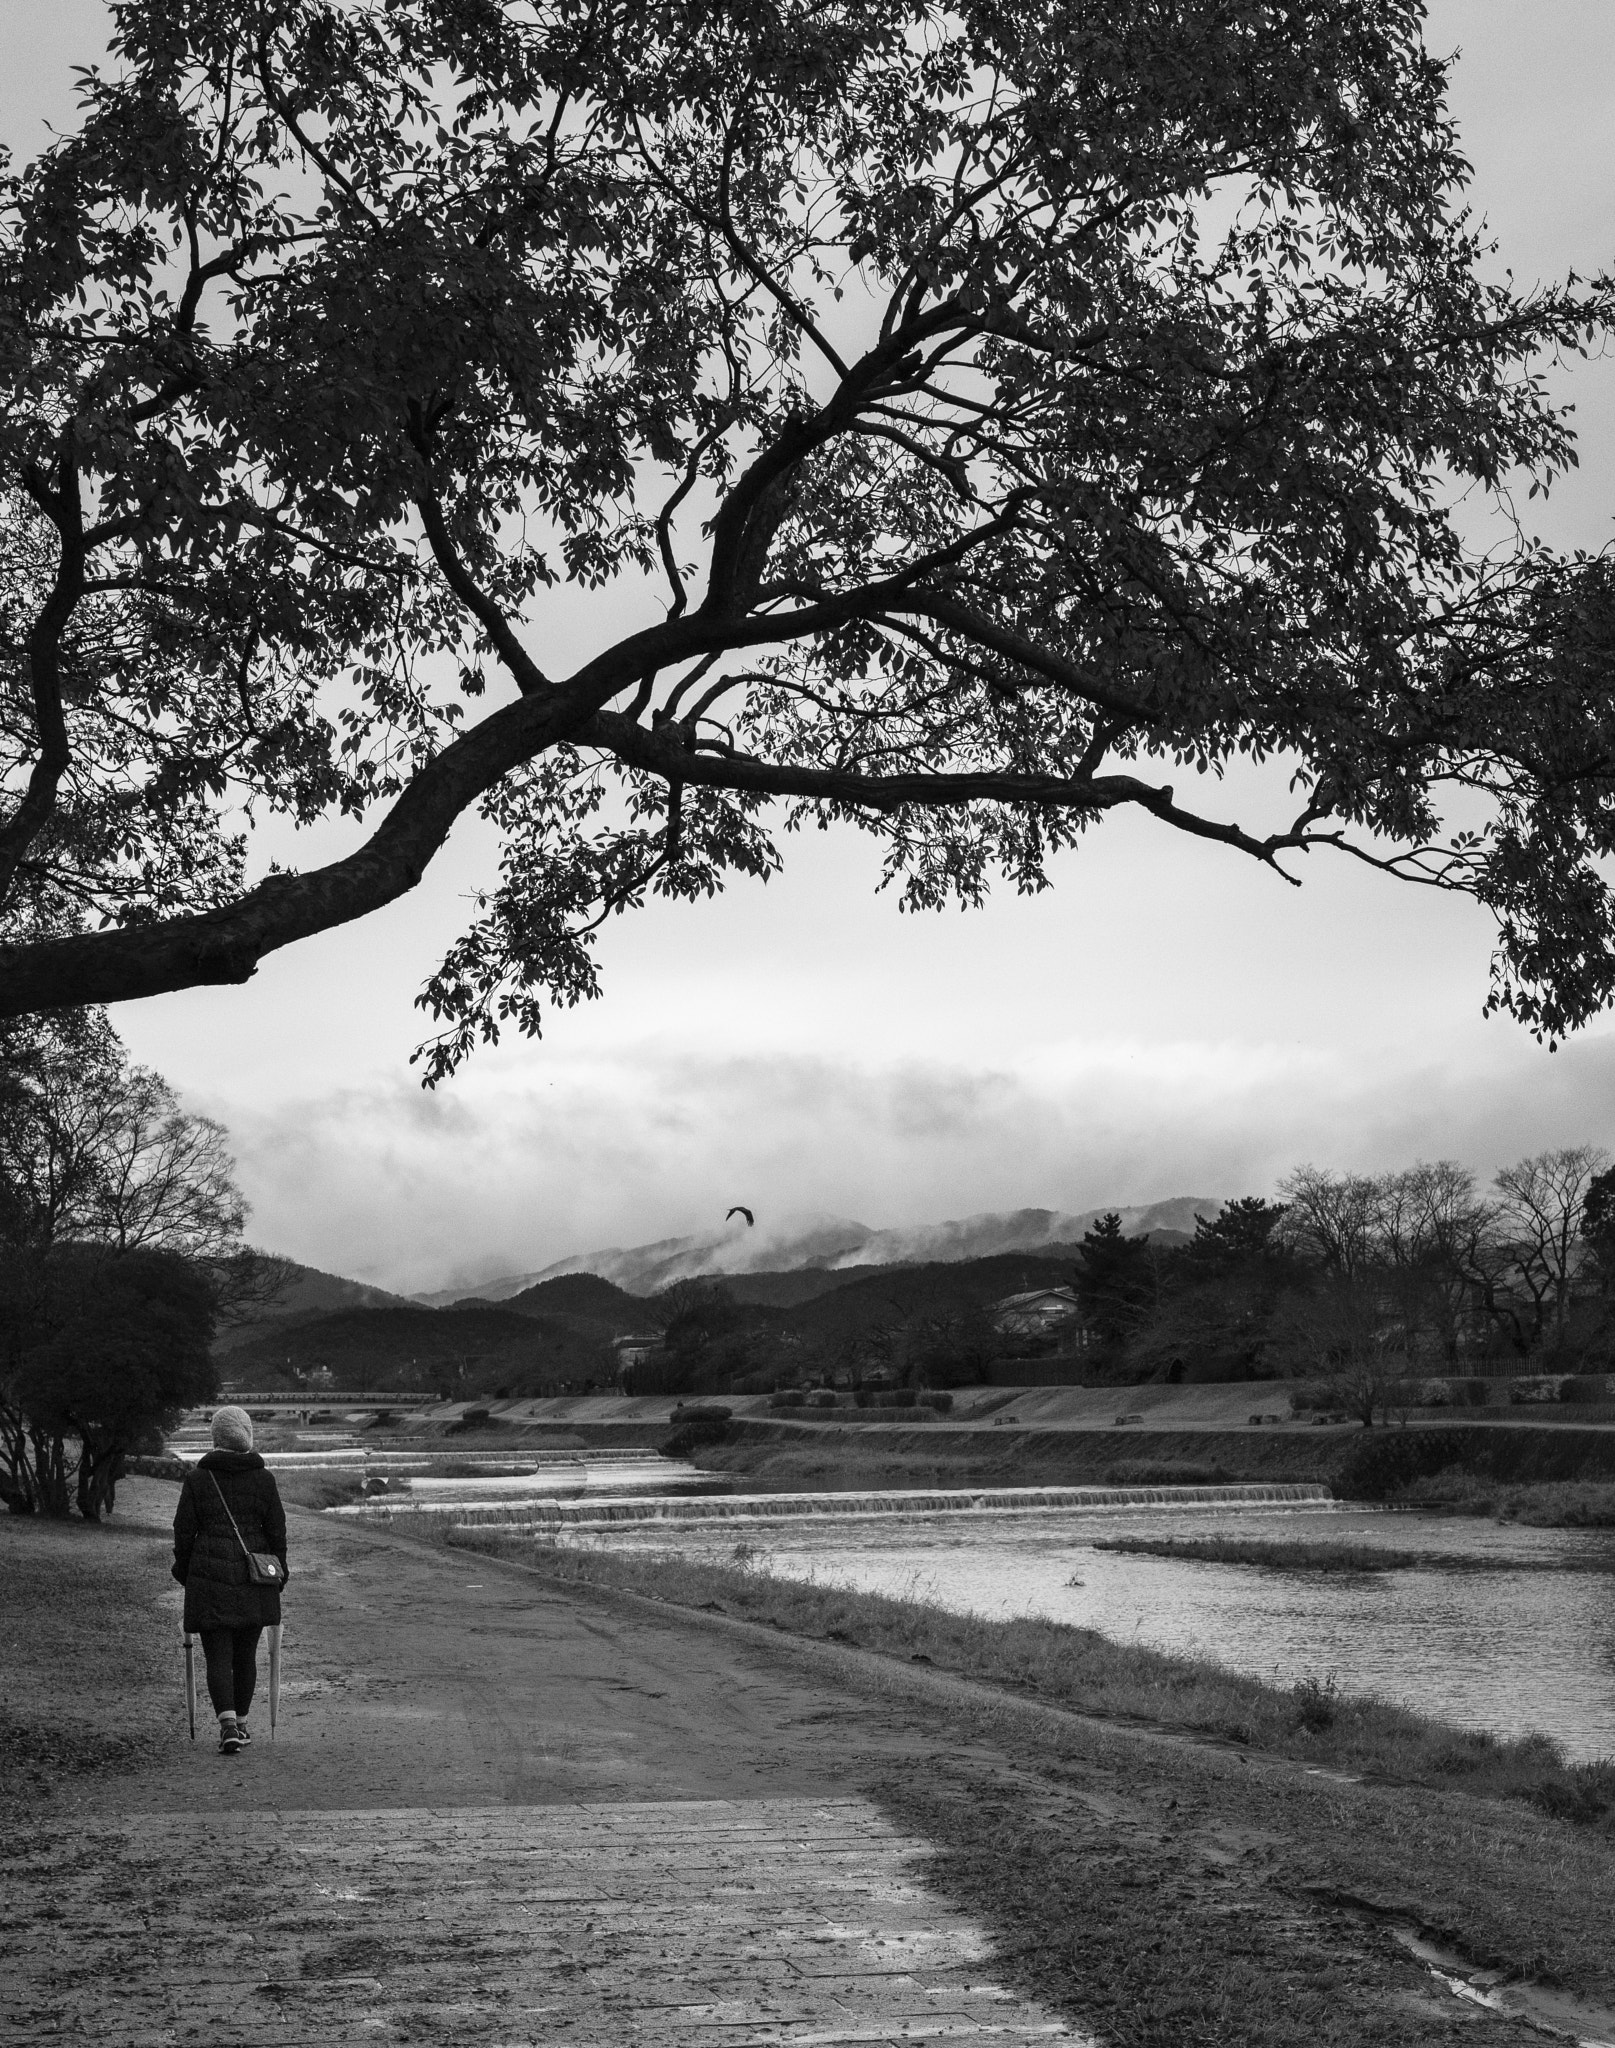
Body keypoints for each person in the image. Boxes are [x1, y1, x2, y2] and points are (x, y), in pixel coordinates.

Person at [172, 1406, 289, 1755]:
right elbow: (277, 1533)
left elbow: (183, 1532)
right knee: (246, 1655)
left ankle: (227, 1727)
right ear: (248, 1434)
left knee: (217, 1654)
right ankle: (242, 1723)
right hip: (255, 1578)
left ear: (216, 1436)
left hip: (209, 1578)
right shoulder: (264, 1479)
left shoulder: (197, 1479)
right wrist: (279, 1573)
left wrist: (187, 1571)